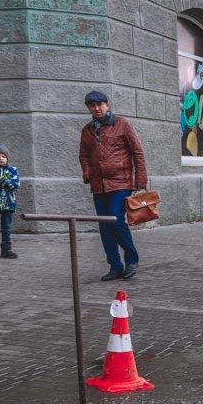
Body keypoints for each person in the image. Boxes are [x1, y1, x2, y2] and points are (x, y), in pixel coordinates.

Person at [79, 90, 146, 281]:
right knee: (104, 227)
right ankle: (115, 266)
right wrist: (87, 173)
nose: (96, 108)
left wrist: (140, 180)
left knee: (116, 221)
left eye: (99, 104)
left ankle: (132, 260)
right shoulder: (87, 130)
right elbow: (83, 155)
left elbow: (137, 152)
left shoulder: (122, 124)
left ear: (107, 105)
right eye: (92, 106)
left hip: (121, 182)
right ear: (89, 108)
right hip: (99, 185)